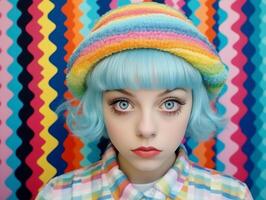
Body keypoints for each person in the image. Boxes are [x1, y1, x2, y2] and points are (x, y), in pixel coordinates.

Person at [36, 2, 253, 200]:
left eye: (170, 103)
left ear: (194, 106)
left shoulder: (232, 195)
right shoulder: (58, 194)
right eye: (123, 103)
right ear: (99, 106)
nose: (146, 129)